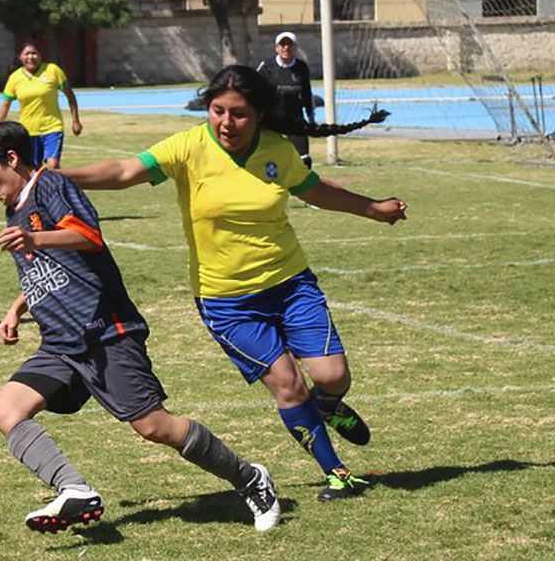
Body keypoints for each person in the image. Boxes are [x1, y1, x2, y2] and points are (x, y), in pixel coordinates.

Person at [61, 65, 407, 502]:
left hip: (290, 284)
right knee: (288, 384)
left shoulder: (278, 151)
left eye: (239, 114)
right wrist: (58, 177)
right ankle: (336, 472)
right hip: (227, 300)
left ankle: (325, 407)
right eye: (217, 110)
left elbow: (315, 190)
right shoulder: (189, 146)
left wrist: (373, 209)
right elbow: (126, 170)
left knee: (333, 375)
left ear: (260, 114)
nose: (226, 122)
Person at [0, 121, 280, 534]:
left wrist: (35, 240)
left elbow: (87, 235)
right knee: (7, 409)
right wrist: (16, 308)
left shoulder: (51, 185)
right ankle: (74, 488)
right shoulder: (18, 208)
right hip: (61, 343)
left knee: (155, 427)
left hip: (104, 332)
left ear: (12, 159)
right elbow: (48, 265)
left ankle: (249, 478)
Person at [0, 41, 82, 169]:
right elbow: (5, 105)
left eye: (34, 53)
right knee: (33, 169)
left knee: (52, 166)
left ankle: (55, 187)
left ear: (40, 55)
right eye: (27, 54)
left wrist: (76, 121)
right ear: (20, 57)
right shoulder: (14, 78)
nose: (30, 57)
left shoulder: (53, 70)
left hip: (52, 127)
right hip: (28, 131)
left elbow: (70, 95)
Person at [257, 31, 316, 168]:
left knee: (304, 160)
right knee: (269, 157)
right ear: (276, 48)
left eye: (290, 44)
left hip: (295, 119)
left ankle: (302, 188)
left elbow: (307, 93)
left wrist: (311, 118)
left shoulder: (301, 67)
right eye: (282, 44)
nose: (286, 48)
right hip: (272, 120)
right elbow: (254, 89)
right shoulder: (267, 66)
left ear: (295, 48)